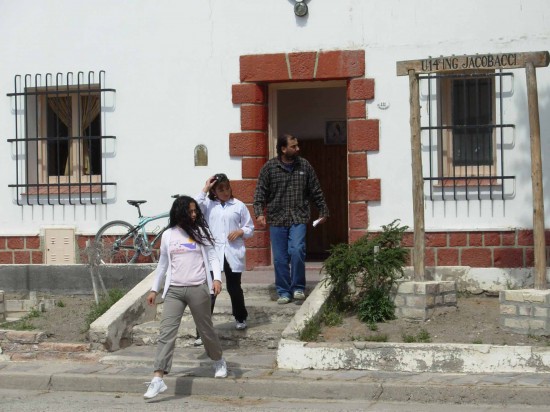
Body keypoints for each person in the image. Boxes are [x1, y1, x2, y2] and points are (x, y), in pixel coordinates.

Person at [143, 195, 227, 400]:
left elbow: (213, 257)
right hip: (174, 291)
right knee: (166, 333)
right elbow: (163, 265)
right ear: (179, 212)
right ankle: (158, 379)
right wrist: (154, 289)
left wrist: (217, 279)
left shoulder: (200, 232)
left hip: (198, 288)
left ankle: (218, 360)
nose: (194, 214)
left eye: (195, 210)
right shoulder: (168, 235)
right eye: (190, 211)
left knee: (205, 329)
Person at [253, 133, 329, 304]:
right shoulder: (269, 168)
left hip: (298, 217)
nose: (297, 149)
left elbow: (315, 190)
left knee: (297, 250)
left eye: (297, 145)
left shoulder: (304, 165)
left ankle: (298, 288)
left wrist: (323, 210)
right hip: (277, 218)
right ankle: (283, 291)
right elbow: (259, 193)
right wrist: (259, 213)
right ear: (283, 149)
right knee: (280, 258)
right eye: (293, 146)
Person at [196, 173, 254, 331]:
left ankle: (240, 317)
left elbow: (250, 227)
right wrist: (205, 188)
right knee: (210, 290)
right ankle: (203, 329)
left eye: (227, 188)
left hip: (232, 251)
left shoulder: (238, 205)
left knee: (234, 287)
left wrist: (241, 231)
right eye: (220, 189)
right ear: (214, 191)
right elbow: (195, 206)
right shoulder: (208, 204)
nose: (225, 192)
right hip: (213, 252)